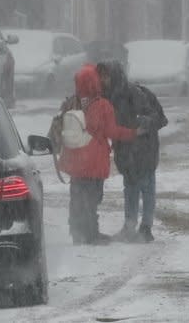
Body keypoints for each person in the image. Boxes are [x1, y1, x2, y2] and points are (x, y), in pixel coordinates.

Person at [57, 64, 140, 245]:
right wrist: (132, 133)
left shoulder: (72, 102)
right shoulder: (103, 105)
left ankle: (77, 232)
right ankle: (91, 234)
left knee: (77, 197)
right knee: (92, 199)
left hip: (75, 159)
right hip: (93, 160)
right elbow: (112, 131)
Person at [97, 61, 168, 243]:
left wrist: (142, 124)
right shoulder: (108, 96)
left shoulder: (132, 94)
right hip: (126, 147)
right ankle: (129, 226)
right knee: (130, 187)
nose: (103, 80)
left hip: (143, 147)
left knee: (146, 186)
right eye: (101, 76)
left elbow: (153, 117)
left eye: (106, 76)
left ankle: (145, 227)